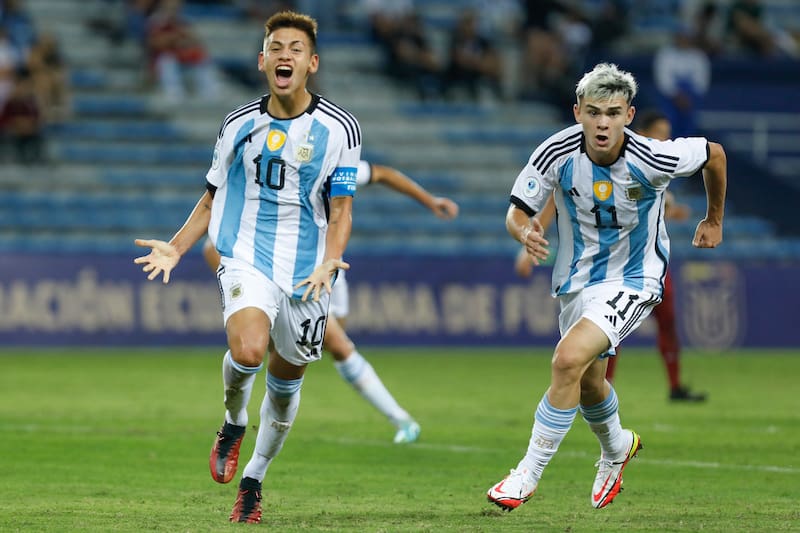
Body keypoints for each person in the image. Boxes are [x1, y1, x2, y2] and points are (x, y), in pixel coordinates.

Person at [133, 11, 362, 524]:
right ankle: (233, 422)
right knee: (250, 349)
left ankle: (254, 480)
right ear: (262, 61)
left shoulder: (340, 129)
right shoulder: (238, 124)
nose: (285, 55)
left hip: (307, 272)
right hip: (246, 257)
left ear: (312, 63)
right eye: (276, 47)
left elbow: (343, 208)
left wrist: (329, 261)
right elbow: (212, 198)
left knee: (286, 387)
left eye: (296, 49)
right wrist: (175, 247)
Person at [488, 62, 726, 512]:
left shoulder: (654, 156)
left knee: (567, 360)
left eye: (613, 113)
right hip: (577, 281)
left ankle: (527, 473)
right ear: (576, 111)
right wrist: (523, 232)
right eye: (594, 111)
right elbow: (518, 210)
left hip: (635, 278)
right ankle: (617, 447)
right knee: (591, 383)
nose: (603, 123)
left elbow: (714, 153)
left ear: (629, 115)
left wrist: (713, 219)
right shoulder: (555, 152)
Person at [201, 159, 459, 443]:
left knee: (328, 347)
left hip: (330, 272)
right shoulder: (271, 172)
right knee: (337, 346)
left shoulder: (334, 164)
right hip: (291, 278)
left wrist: (430, 201)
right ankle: (402, 420)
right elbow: (213, 244)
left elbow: (383, 174)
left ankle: (267, 419)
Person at [514, 110, 707, 402]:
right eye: (659, 133)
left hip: (647, 267)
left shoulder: (655, 163)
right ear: (640, 131)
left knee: (666, 323)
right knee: (605, 333)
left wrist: (681, 213)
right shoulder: (599, 159)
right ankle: (602, 387)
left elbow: (658, 202)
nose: (664, 139)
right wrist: (528, 241)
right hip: (605, 268)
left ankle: (674, 385)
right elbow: (559, 196)